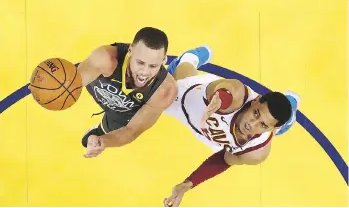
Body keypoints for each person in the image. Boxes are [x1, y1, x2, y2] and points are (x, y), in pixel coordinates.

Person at [162, 46, 300, 207]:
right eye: (256, 113)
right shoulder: (239, 94)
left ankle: (289, 111)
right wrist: (219, 99)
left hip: (211, 135)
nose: (251, 125)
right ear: (256, 100)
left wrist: (188, 184)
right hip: (197, 103)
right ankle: (190, 58)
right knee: (177, 81)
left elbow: (225, 159)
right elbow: (226, 90)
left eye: (262, 125)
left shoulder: (256, 152)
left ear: (269, 129)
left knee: (281, 127)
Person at [77, 27, 177, 158]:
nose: (144, 72)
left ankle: (101, 130)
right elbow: (71, 85)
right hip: (97, 84)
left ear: (164, 60)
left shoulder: (165, 91)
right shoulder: (106, 59)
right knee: (64, 83)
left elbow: (131, 131)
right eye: (140, 62)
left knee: (103, 134)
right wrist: (61, 90)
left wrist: (102, 141)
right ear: (130, 51)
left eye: (153, 66)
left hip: (123, 111)